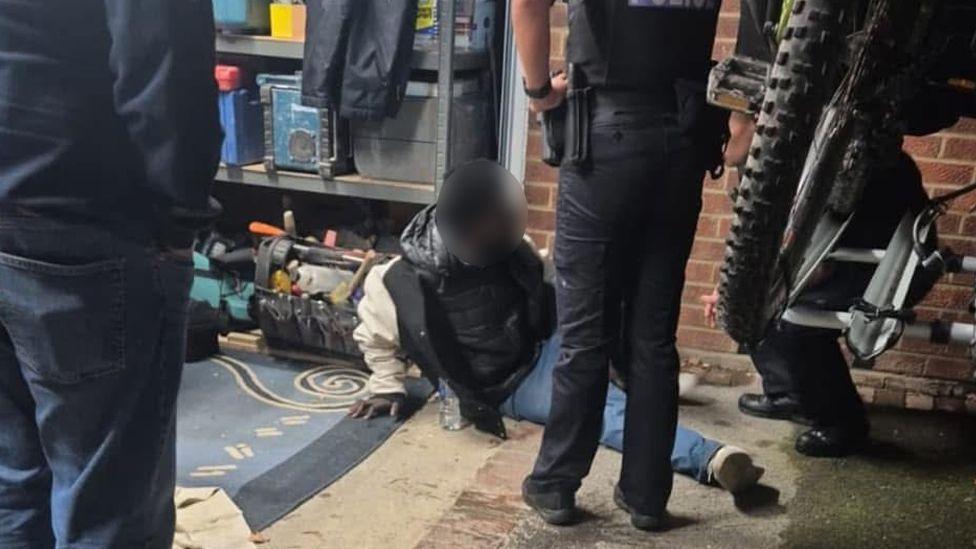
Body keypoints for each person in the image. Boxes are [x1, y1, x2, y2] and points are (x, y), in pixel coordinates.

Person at [349, 160, 764, 499]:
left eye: (500, 218)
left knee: (607, 329)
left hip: (540, 344)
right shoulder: (396, 282)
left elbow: (549, 281)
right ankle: (709, 457)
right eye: (486, 221)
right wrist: (387, 383)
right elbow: (375, 334)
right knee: (595, 409)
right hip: (507, 383)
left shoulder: (509, 246)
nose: (496, 227)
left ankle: (644, 383)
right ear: (460, 220)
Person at [0, 1, 222, 547]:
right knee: (108, 508)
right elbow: (166, 63)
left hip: (32, 194)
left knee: (13, 482)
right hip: (78, 215)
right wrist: (181, 213)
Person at [511, 0, 727, 530]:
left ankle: (556, 483)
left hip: (604, 140)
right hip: (684, 141)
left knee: (586, 332)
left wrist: (539, 93)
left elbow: (527, 4)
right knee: (653, 336)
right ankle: (647, 496)